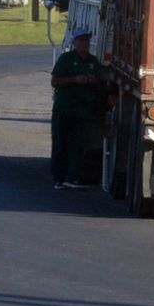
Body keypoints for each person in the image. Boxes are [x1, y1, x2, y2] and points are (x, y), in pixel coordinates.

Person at [49, 29, 103, 190]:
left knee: (78, 145)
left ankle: (73, 177)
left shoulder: (93, 62)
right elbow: (55, 81)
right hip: (64, 109)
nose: (84, 43)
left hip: (83, 111)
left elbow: (101, 85)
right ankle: (59, 178)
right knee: (60, 144)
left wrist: (93, 82)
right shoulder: (67, 59)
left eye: (86, 40)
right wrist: (75, 79)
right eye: (80, 40)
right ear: (74, 43)